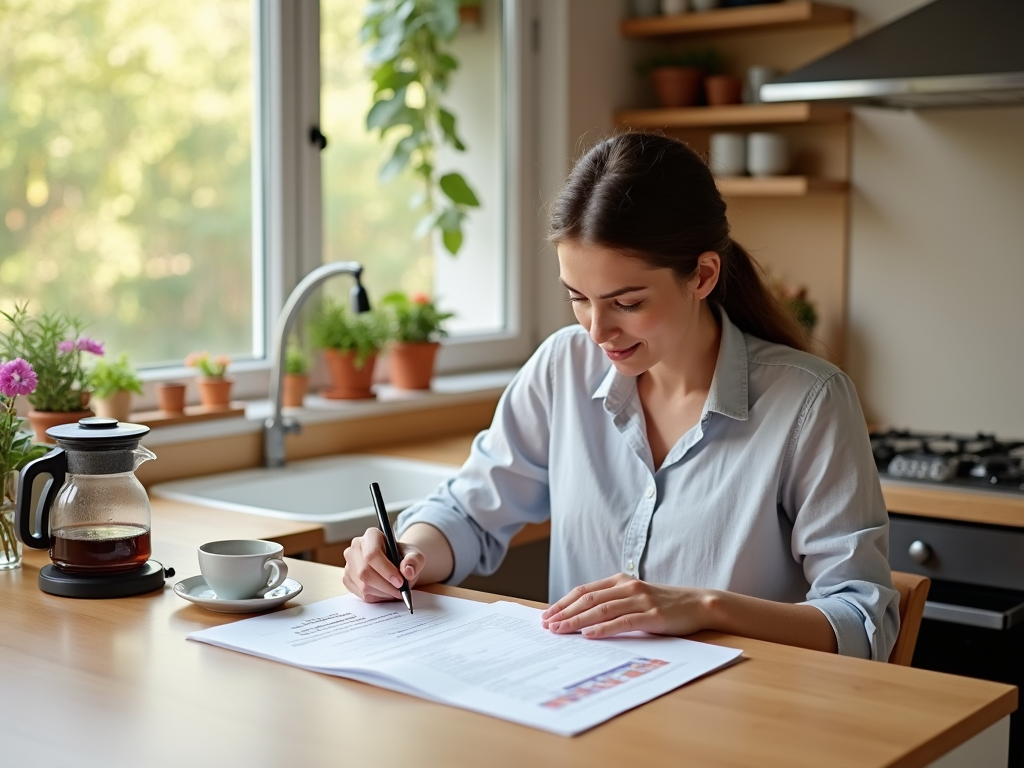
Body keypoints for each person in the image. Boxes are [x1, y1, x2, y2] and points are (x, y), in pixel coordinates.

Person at [343, 132, 899, 661]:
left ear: (702, 275)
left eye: (627, 303)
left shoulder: (810, 402)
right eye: (577, 298)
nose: (596, 330)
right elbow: (468, 511)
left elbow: (863, 620)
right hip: (579, 708)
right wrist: (405, 555)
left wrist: (704, 608)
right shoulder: (563, 366)